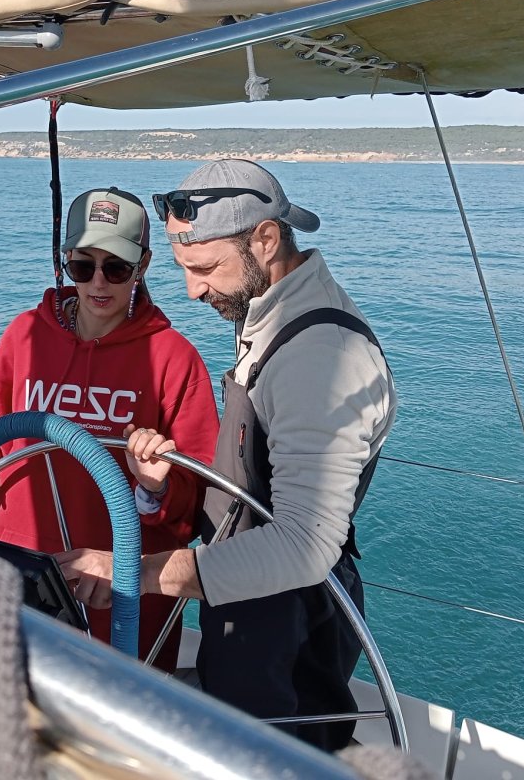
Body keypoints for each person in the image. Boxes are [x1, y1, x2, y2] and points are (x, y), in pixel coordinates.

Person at [56, 160, 396, 751]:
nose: (191, 289)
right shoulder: (276, 316)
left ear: (265, 239)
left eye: (205, 268)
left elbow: (301, 546)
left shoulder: (321, 358)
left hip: (286, 626)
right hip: (248, 606)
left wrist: (130, 572)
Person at [0, 187, 219, 670]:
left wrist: (154, 488)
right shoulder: (24, 334)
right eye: (83, 266)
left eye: (117, 267)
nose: (98, 282)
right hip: (18, 571)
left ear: (143, 266)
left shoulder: (174, 359)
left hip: (121, 593)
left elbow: (200, 496)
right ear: (65, 263)